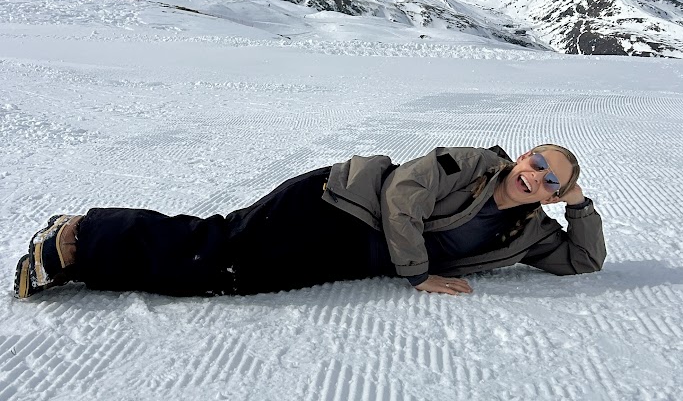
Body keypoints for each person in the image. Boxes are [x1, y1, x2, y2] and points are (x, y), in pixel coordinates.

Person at [14, 143, 605, 300]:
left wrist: (581, 207)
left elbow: (583, 262)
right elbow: (402, 196)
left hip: (351, 252)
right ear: (522, 155)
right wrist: (419, 273)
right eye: (537, 164)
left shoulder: (530, 233)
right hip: (333, 204)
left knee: (232, 278)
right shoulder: (471, 165)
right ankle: (79, 238)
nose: (536, 179)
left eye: (553, 181)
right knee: (221, 252)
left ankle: (91, 250)